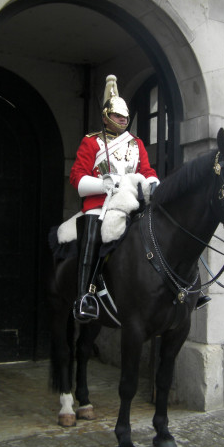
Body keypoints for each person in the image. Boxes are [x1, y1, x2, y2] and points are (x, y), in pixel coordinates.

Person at [69, 75, 159, 322]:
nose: (123, 120)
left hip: (132, 202)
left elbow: (147, 170)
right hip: (101, 203)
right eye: (118, 116)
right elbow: (77, 177)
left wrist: (153, 182)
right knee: (91, 235)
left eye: (125, 116)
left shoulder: (136, 144)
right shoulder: (91, 142)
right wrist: (103, 184)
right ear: (106, 116)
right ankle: (84, 296)